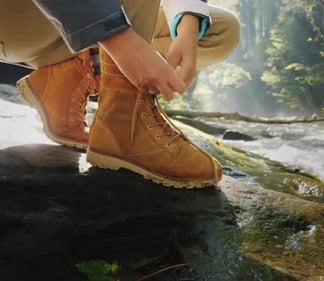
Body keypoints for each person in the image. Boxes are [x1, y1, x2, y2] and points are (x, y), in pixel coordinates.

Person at [0, 0, 240, 188]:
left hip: (53, 24)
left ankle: (64, 75)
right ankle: (124, 126)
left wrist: (187, 22)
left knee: (219, 31)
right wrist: (120, 40)